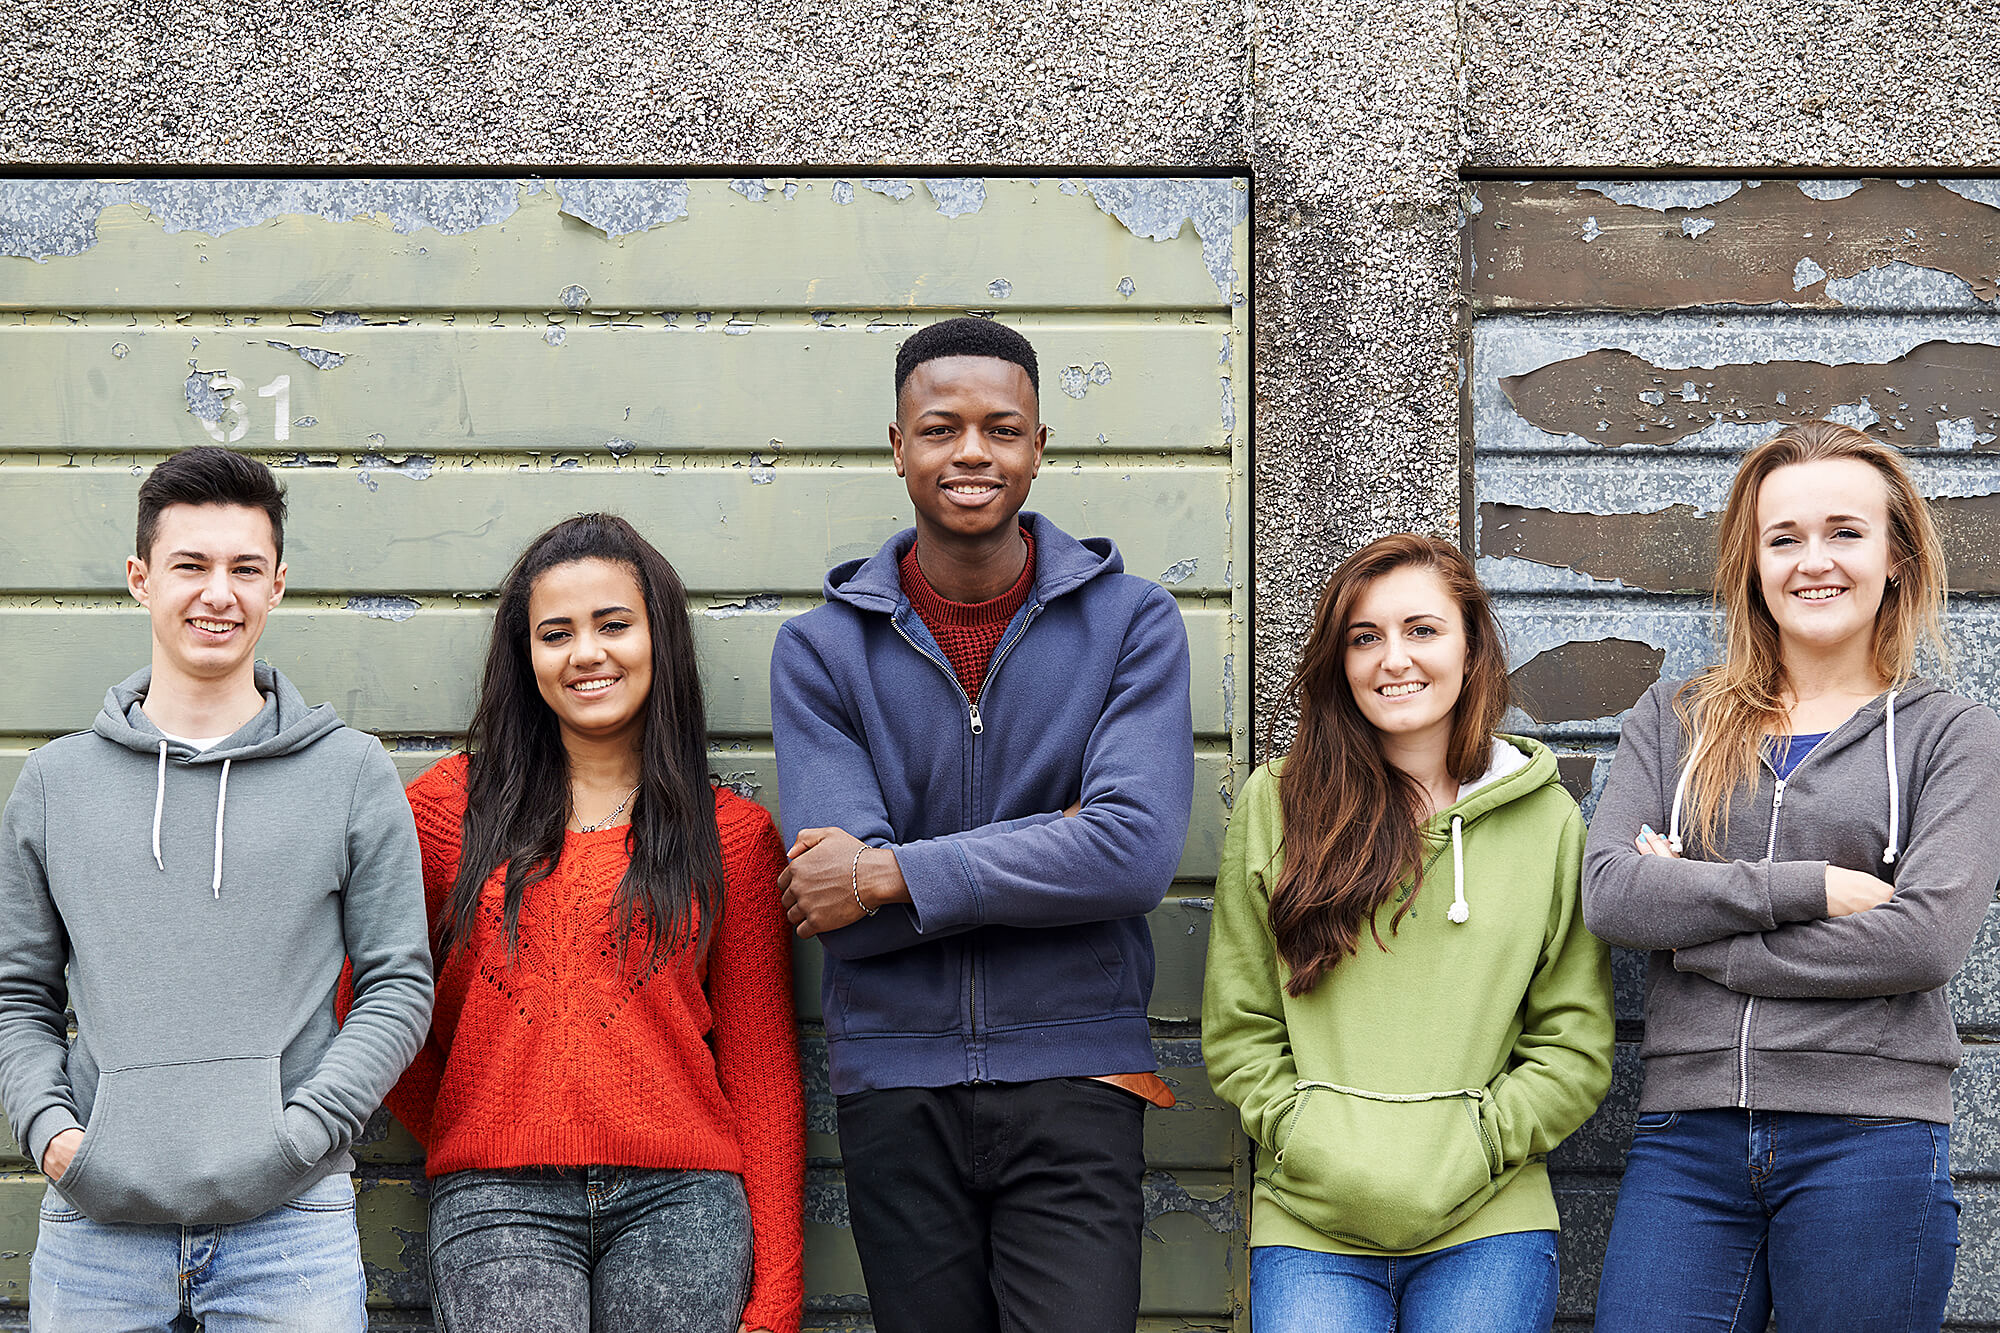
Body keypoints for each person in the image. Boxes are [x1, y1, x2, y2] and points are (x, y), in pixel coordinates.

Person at [769, 315, 1195, 1333]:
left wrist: (887, 872)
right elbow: (839, 908)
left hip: (1076, 1074)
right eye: (940, 428)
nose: (971, 452)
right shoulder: (820, 653)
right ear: (897, 446)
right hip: (893, 1083)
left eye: (1000, 429)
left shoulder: (1132, 622)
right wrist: (1047, 843)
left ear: (1037, 446)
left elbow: (1130, 854)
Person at [0, 446, 433, 1331]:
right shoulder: (54, 783)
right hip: (95, 1230)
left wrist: (304, 1135)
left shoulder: (350, 771)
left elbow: (399, 985)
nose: (218, 592)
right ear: (139, 577)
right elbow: (16, 994)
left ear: (277, 583)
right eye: (190, 564)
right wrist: (54, 1134)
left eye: (245, 567)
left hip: (292, 1231)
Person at [1585, 421, 2000, 1332]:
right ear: (1753, 564)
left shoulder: (1951, 733)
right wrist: (1808, 886)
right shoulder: (1677, 717)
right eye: (1784, 538)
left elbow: (1923, 939)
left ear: (1896, 555)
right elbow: (1613, 891)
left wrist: (1699, 937)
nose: (1814, 561)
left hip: (1872, 1138)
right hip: (1687, 1138)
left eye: (1845, 532)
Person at [382, 514, 803, 1333]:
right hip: (497, 1203)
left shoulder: (735, 839)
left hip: (683, 1203)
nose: (587, 653)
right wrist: (478, 1115)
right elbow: (367, 1002)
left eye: (614, 624)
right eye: (556, 632)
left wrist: (779, 1295)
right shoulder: (443, 811)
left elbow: (762, 1071)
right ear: (526, 656)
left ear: (659, 638)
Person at [1203, 532, 1614, 1332]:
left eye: (1422, 630)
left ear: (1471, 648)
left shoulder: (1549, 819)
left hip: (1489, 1219)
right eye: (1366, 637)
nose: (1394, 658)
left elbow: (1574, 1040)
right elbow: (1239, 1024)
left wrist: (1482, 1141)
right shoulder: (1276, 803)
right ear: (1340, 660)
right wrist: (1305, 1136)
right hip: (1310, 1224)